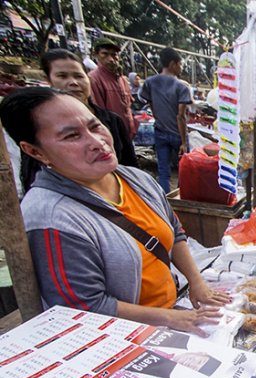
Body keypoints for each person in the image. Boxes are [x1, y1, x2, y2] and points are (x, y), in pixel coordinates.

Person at [0, 87, 229, 337]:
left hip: (176, 310)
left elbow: (174, 232)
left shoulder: (136, 179)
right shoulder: (51, 218)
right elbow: (85, 307)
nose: (97, 142)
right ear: (35, 151)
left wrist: (197, 283)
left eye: (95, 126)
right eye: (71, 136)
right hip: (123, 337)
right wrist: (170, 318)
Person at [18, 49, 137, 193]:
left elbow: (131, 167)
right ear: (48, 80)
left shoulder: (112, 120)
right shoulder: (41, 129)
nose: (73, 83)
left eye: (78, 76)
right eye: (62, 76)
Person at [139, 47, 192, 194]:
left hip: (160, 131)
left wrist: (160, 121)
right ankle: (183, 199)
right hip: (177, 133)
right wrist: (183, 142)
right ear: (173, 63)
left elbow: (152, 107)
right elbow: (180, 117)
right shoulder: (181, 86)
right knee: (184, 169)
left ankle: (166, 201)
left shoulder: (150, 83)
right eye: (180, 64)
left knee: (164, 171)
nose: (180, 68)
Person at [88, 37, 136, 139]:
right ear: (96, 55)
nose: (110, 59)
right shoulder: (94, 79)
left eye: (114, 55)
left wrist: (132, 127)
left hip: (126, 133)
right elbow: (98, 113)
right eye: (105, 54)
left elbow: (128, 107)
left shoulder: (122, 79)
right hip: (111, 135)